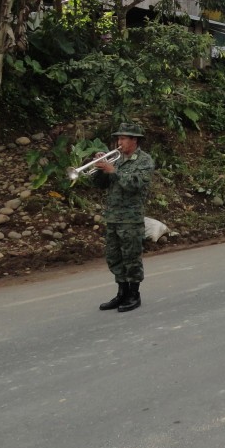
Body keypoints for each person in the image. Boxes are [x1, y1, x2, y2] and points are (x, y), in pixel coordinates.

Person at [91, 122, 155, 313]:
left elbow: (135, 185)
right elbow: (100, 185)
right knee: (114, 257)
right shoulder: (116, 159)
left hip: (131, 218)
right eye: (118, 138)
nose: (119, 142)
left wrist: (114, 171)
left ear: (134, 140)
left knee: (131, 258)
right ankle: (121, 293)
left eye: (124, 138)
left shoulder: (144, 161)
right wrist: (99, 168)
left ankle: (134, 295)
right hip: (113, 217)